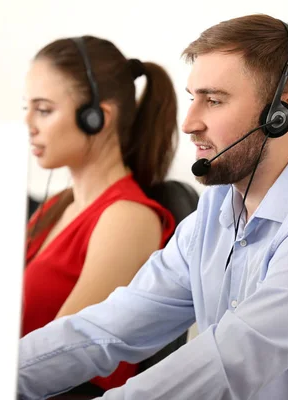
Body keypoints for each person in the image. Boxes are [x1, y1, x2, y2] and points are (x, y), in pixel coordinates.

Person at [17, 14, 288, 400]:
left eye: (214, 101)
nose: (189, 122)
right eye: (193, 99)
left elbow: (226, 365)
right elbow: (108, 328)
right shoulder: (217, 211)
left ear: (281, 115)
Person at [21, 35, 178, 393]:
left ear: (97, 118)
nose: (29, 123)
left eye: (44, 110)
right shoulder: (55, 206)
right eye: (26, 108)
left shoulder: (126, 219)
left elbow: (58, 358)